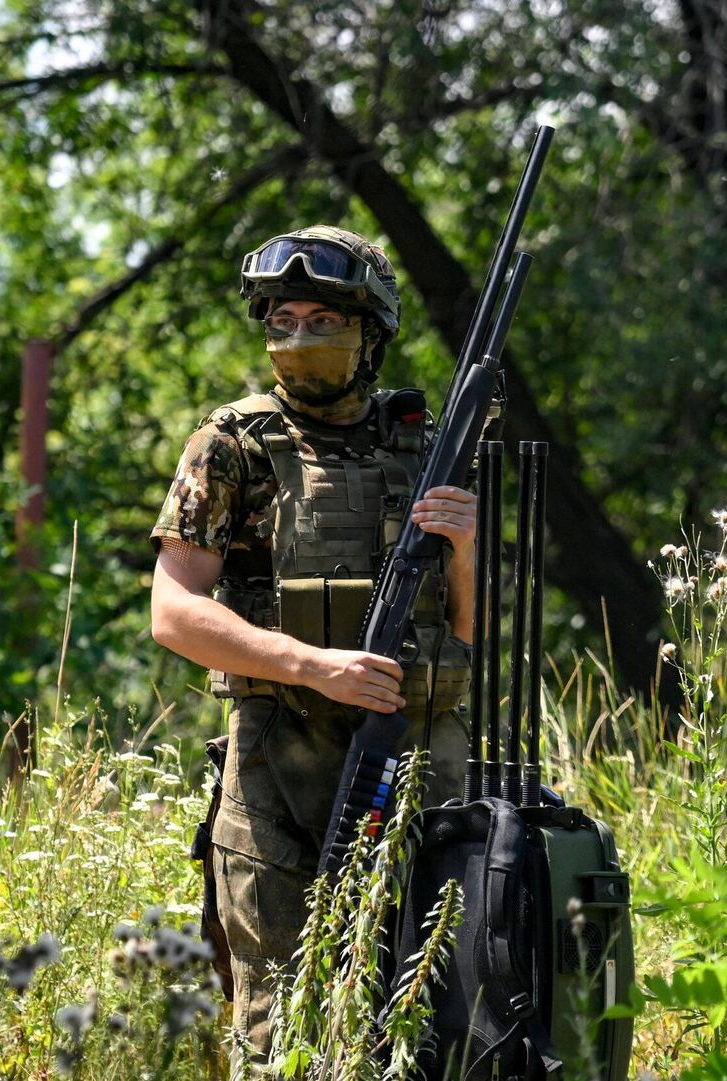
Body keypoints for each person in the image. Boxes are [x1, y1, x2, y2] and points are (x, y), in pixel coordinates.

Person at [147, 225, 478, 1065]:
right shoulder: (231, 446)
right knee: (285, 1033)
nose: (298, 338)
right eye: (282, 318)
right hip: (278, 785)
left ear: (371, 335)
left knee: (430, 1028)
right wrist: (312, 665)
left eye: (322, 319)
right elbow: (175, 611)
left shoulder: (423, 446)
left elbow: (469, 636)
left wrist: (467, 549)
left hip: (415, 774)